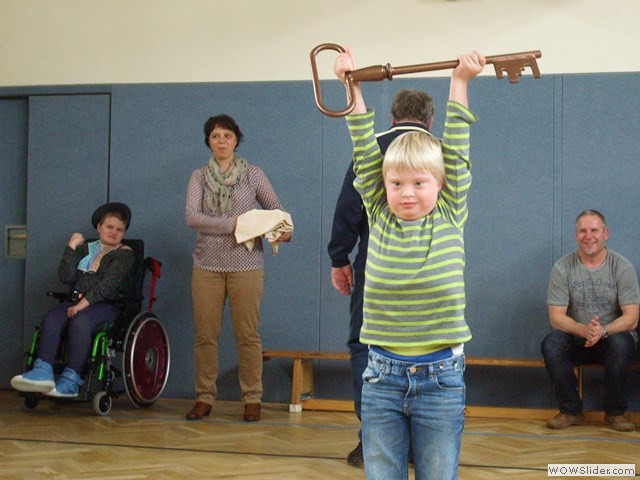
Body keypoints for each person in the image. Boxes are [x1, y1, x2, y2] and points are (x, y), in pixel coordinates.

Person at [333, 48, 485, 480]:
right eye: (396, 183)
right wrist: (351, 84)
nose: (407, 193)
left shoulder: (450, 211)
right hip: (381, 377)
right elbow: (364, 146)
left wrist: (460, 83)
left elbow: (456, 146)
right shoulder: (379, 213)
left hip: (440, 378)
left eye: (419, 183)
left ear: (440, 184)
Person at [327, 89, 435, 467]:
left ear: (391, 116)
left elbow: (348, 206)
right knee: (429, 350)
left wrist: (340, 257)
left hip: (376, 264)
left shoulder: (373, 148)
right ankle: (423, 444)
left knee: (367, 347)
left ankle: (371, 438)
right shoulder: (437, 150)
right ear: (430, 120)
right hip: (431, 269)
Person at [185, 114, 291, 423]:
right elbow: (192, 217)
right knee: (205, 335)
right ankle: (204, 397)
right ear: (209, 141)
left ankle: (252, 399)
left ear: (236, 140)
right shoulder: (198, 177)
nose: (221, 141)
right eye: (215, 136)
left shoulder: (253, 174)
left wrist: (282, 230)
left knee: (247, 334)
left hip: (247, 266)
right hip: (206, 265)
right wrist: (237, 224)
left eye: (227, 136)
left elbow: (277, 211)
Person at [11, 202, 134, 398]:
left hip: (106, 305)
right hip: (77, 302)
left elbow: (106, 286)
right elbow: (66, 277)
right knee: (52, 318)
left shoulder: (124, 254)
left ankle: (71, 380)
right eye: (110, 227)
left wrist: (81, 306)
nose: (114, 232)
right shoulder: (85, 249)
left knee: (80, 322)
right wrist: (71, 247)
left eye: (119, 230)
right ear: (99, 227)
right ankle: (42, 372)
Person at [541, 210, 639, 432]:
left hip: (612, 339)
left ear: (606, 233)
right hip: (577, 338)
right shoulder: (562, 268)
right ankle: (570, 411)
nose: (589, 236)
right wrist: (584, 330)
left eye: (594, 230)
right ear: (576, 235)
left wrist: (602, 331)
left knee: (622, 343)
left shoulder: (622, 267)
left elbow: (632, 319)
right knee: (552, 343)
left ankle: (616, 413)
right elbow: (556, 318)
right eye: (582, 231)